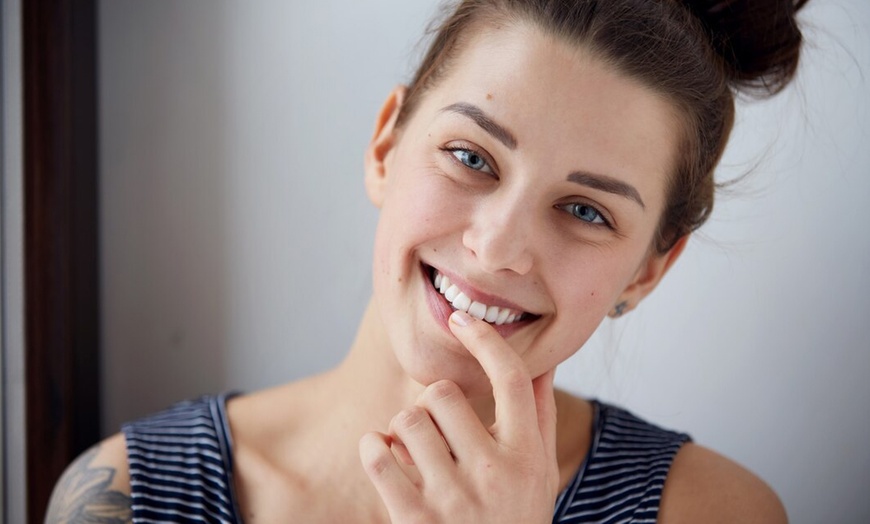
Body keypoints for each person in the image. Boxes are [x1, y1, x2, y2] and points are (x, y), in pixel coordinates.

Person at [46, 0, 807, 522]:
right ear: (386, 145)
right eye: (471, 156)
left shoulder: (713, 513)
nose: (498, 248)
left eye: (585, 211)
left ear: (647, 271)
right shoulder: (131, 497)